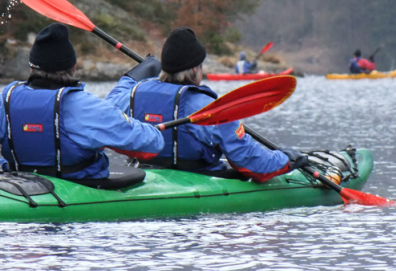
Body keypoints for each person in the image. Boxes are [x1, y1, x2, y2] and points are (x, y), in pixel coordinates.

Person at [0, 23, 164, 181]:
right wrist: (149, 128)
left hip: (15, 191)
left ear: (32, 68)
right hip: (77, 197)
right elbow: (151, 145)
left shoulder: (3, 101)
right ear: (73, 69)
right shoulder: (85, 106)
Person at [106, 26, 308, 182]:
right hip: (198, 180)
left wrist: (143, 69)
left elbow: (110, 103)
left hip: (146, 175)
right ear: (195, 71)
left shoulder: (132, 93)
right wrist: (285, 159)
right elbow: (251, 163)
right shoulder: (206, 105)